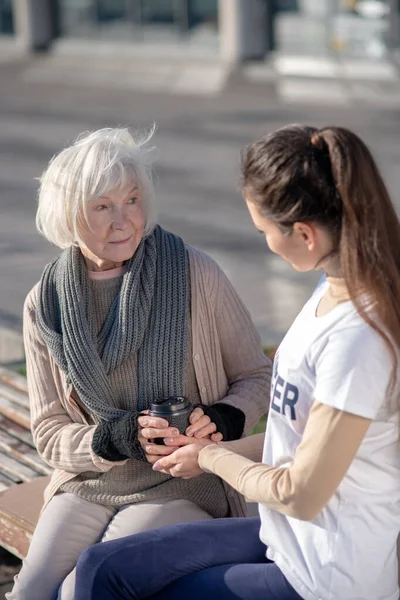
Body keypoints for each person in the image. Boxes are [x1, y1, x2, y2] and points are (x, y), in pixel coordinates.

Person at [73, 125, 400, 600]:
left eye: (265, 231)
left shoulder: (357, 341)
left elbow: (302, 492)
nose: (265, 242)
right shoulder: (331, 288)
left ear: (305, 234)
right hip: (286, 539)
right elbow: (305, 438)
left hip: (324, 577)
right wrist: (202, 452)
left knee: (139, 590)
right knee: (101, 567)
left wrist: (211, 456)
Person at [7, 127, 271, 600]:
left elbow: (256, 375)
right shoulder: (44, 303)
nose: (123, 220)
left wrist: (225, 418)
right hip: (92, 481)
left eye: (131, 200)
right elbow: (48, 431)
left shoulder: (195, 272)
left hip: (186, 482)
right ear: (69, 216)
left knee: (84, 585)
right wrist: (112, 439)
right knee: (30, 590)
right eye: (102, 206)